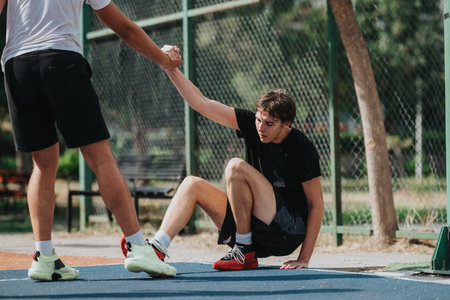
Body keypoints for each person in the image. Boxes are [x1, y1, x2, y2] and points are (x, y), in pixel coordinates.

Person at [1, 0, 181, 281]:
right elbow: (124, 27)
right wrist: (163, 58)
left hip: (18, 67)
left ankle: (44, 256)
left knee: (42, 164)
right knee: (100, 157)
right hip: (61, 61)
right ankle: (137, 247)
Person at [132, 45, 324, 270]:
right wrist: (169, 68)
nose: (261, 128)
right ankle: (157, 248)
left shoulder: (302, 148)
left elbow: (316, 205)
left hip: (286, 231)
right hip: (254, 228)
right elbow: (202, 104)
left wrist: (304, 258)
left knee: (235, 166)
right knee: (192, 184)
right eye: (259, 120)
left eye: (269, 124)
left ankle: (243, 250)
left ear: (287, 123)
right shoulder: (252, 124)